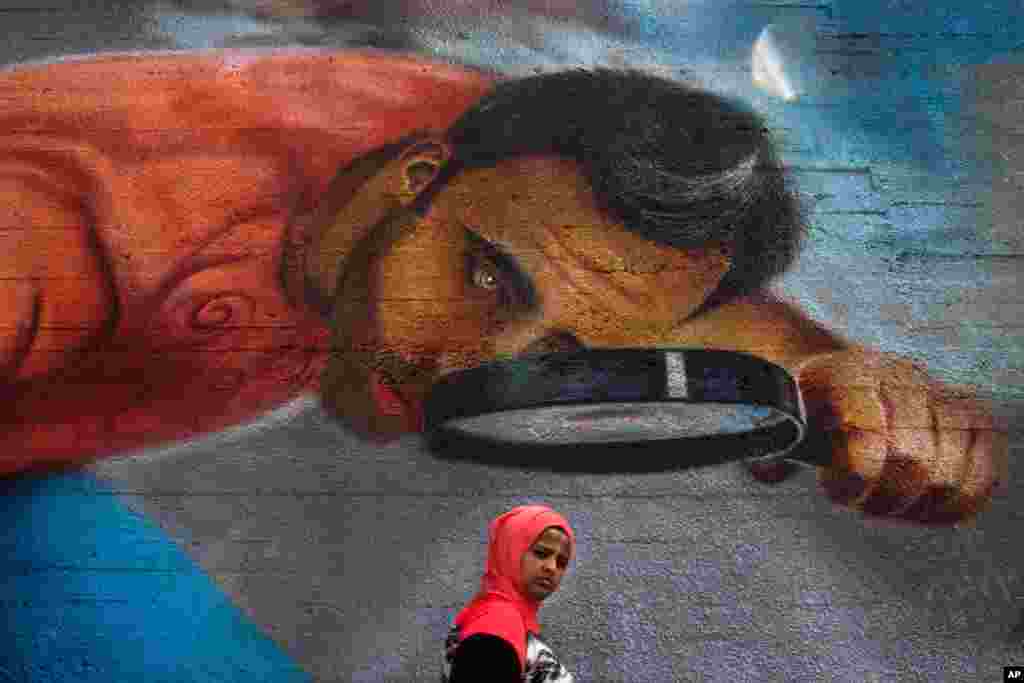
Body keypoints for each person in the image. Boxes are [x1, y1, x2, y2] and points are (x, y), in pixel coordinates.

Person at [0, 50, 1006, 525]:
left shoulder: (510, 151)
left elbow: (633, 280)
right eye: (487, 280)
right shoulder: (63, 238)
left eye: (567, 349)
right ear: (413, 178)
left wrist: (839, 370)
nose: (477, 367)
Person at [442, 505, 576, 683]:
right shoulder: (497, 623)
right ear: (510, 550)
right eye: (541, 553)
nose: (551, 567)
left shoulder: (504, 618)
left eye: (561, 562)